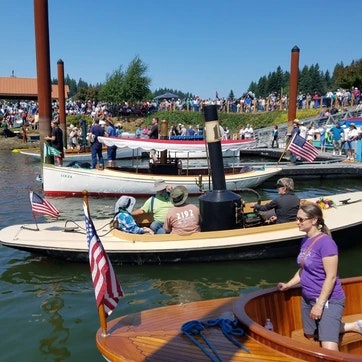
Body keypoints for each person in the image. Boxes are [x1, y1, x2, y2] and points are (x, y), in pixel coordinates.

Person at [277, 202, 362, 351]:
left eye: (301, 219)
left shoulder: (326, 243)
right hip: (307, 298)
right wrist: (289, 284)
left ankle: (353, 325)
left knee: (329, 348)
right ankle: (351, 326)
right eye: (297, 219)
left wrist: (319, 305)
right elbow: (304, 269)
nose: (297, 222)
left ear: (314, 220)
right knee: (311, 335)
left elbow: (331, 277)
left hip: (328, 300)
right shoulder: (305, 240)